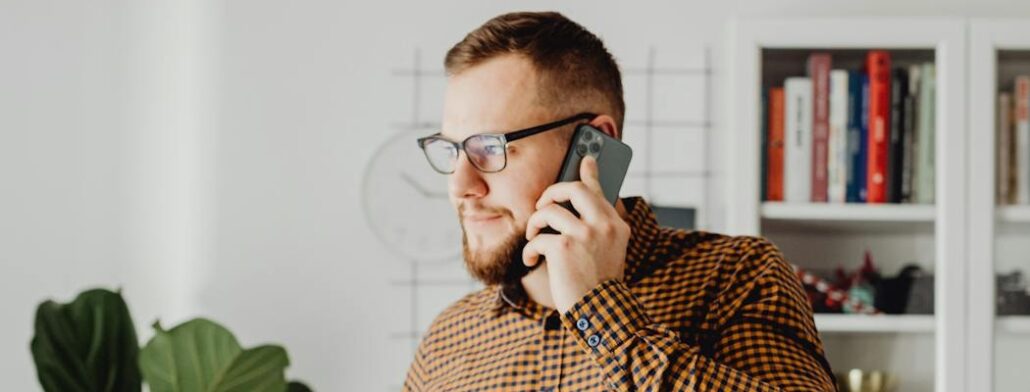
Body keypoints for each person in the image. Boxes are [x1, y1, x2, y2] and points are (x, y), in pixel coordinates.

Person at [404, 11, 835, 391]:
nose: (461, 185)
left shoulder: (736, 276)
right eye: (452, 149)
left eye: (490, 147)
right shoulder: (448, 338)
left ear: (593, 146)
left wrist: (599, 307)